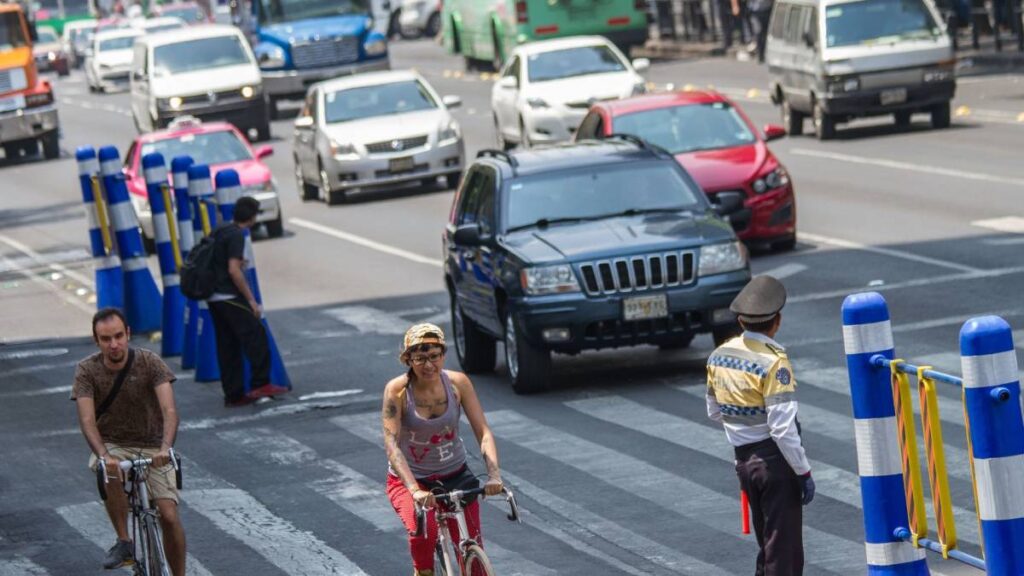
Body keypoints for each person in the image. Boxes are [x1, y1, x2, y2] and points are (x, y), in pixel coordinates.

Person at [705, 275, 814, 576]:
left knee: (767, 545)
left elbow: (714, 411)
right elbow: (782, 429)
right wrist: (803, 472)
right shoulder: (774, 363)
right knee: (784, 553)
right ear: (776, 321)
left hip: (744, 462)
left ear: (740, 321)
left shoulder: (719, 356)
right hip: (775, 464)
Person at [381, 323, 504, 576]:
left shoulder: (458, 383)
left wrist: (494, 475)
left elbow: (484, 433)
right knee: (424, 530)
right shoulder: (398, 391)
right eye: (420, 358)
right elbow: (391, 444)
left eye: (434, 356)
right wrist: (414, 489)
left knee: (473, 553)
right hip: (412, 481)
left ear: (443, 355)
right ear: (408, 360)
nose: (428, 365)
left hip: (456, 475)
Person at [71, 308, 186, 576]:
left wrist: (165, 448)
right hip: (114, 444)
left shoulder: (150, 362)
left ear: (128, 334)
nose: (114, 344)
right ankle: (125, 541)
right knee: (109, 471)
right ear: (96, 340)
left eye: (119, 336)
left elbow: (169, 411)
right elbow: (87, 420)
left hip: (153, 445)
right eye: (106, 339)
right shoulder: (86, 370)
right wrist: (104, 455)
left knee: (168, 515)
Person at [207, 195, 287, 407]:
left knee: (228, 346)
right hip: (228, 296)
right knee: (256, 335)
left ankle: (233, 394)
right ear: (251, 217)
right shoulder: (237, 236)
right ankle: (260, 383)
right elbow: (234, 270)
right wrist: (251, 300)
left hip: (212, 296)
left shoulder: (220, 229)